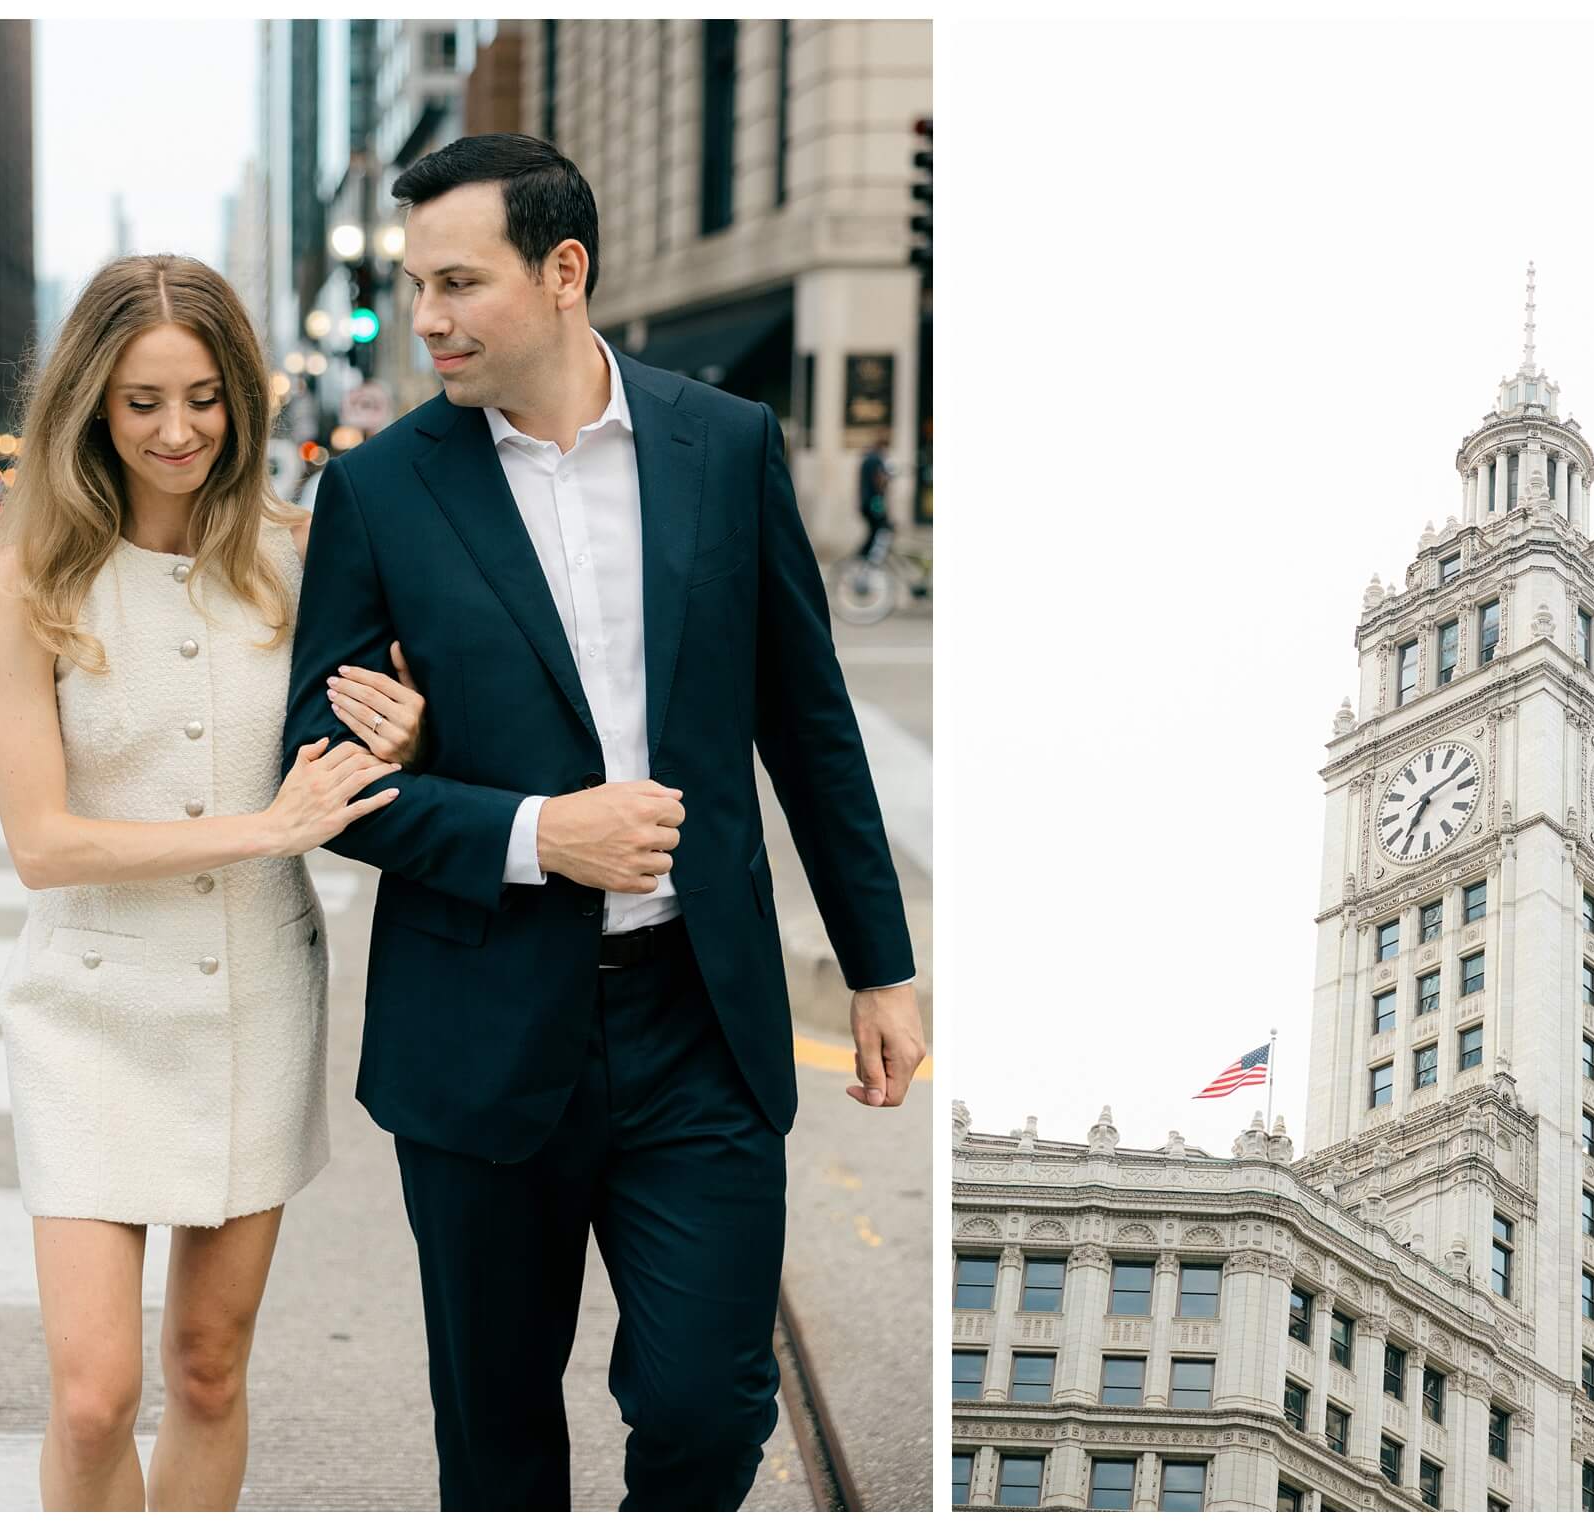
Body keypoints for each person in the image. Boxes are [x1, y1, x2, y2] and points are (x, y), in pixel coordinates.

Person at [281, 132, 927, 1512]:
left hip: (698, 1014)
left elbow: (810, 723)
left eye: (461, 281)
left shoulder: (726, 445)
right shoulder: (382, 490)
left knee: (709, 1406)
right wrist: (535, 833)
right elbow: (319, 769)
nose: (430, 317)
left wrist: (882, 963)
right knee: (499, 1442)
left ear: (564, 270)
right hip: (479, 1032)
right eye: (418, 284)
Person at [0, 253, 433, 1511]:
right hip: (86, 1007)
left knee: (210, 1366)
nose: (176, 431)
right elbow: (42, 843)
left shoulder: (302, 555)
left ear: (242, 399)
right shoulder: (29, 574)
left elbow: (358, 758)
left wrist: (398, 739)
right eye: (140, 402)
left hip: (252, 1000)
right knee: (91, 1396)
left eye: (203, 398)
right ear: (91, 405)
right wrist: (259, 830)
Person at [856, 436, 893, 562]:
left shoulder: (867, 458)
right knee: (881, 527)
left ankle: (866, 556)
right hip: (874, 502)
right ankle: (869, 557)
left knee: (875, 529)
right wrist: (887, 480)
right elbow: (879, 479)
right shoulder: (876, 459)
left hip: (866, 502)